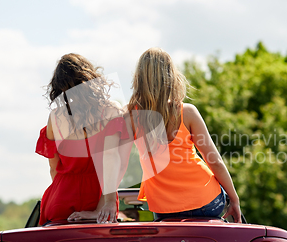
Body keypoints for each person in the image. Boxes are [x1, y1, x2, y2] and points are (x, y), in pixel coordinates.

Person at [127, 47, 242, 222]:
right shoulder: (186, 112)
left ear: (139, 79)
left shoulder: (130, 118)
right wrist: (234, 199)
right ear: (171, 76)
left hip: (164, 208)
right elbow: (214, 161)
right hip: (207, 202)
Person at [35, 53, 129, 225]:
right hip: (99, 197)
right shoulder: (110, 110)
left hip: (60, 200)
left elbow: (53, 169)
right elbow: (111, 158)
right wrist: (107, 203)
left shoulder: (55, 117)